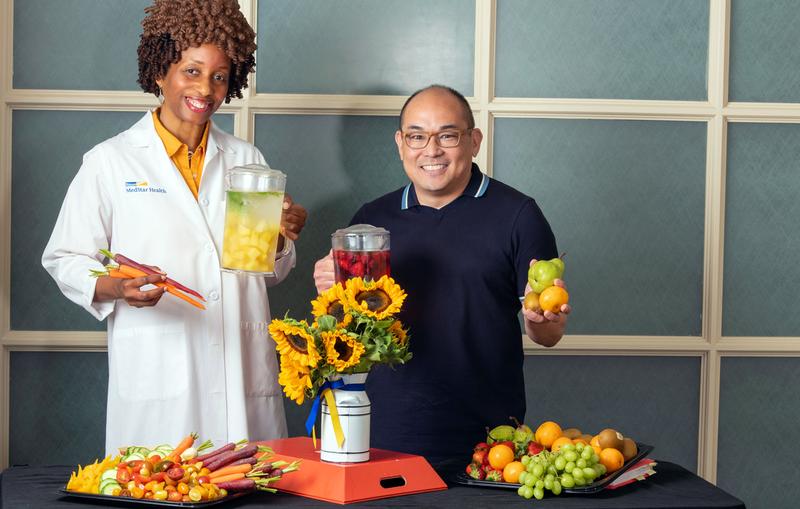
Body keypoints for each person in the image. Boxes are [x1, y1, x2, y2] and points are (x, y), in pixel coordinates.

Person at [42, 0, 307, 454]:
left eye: (220, 76)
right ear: (161, 72)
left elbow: (266, 270)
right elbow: (65, 258)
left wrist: (282, 236)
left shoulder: (247, 161)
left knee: (251, 489)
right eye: (191, 71)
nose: (206, 88)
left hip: (240, 374)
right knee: (163, 486)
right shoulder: (111, 162)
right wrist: (116, 288)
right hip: (159, 379)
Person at [313, 85, 569, 463]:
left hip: (488, 441)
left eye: (447, 136)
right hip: (384, 432)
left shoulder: (518, 215)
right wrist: (331, 293)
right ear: (401, 143)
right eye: (417, 136)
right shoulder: (372, 221)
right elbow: (350, 332)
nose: (431, 150)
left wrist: (542, 320)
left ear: (474, 141)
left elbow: (547, 334)